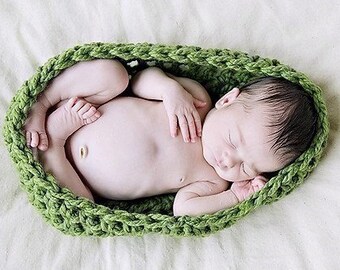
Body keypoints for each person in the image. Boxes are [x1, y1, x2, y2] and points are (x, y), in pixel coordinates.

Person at [24, 59, 317, 216]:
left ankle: (54, 144)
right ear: (227, 100)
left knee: (83, 207)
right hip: (87, 108)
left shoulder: (214, 181)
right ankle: (45, 99)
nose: (229, 160)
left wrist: (234, 196)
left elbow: (184, 209)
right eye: (232, 140)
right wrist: (168, 90)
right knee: (114, 74)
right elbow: (139, 80)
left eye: (247, 167)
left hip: (76, 174)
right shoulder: (197, 100)